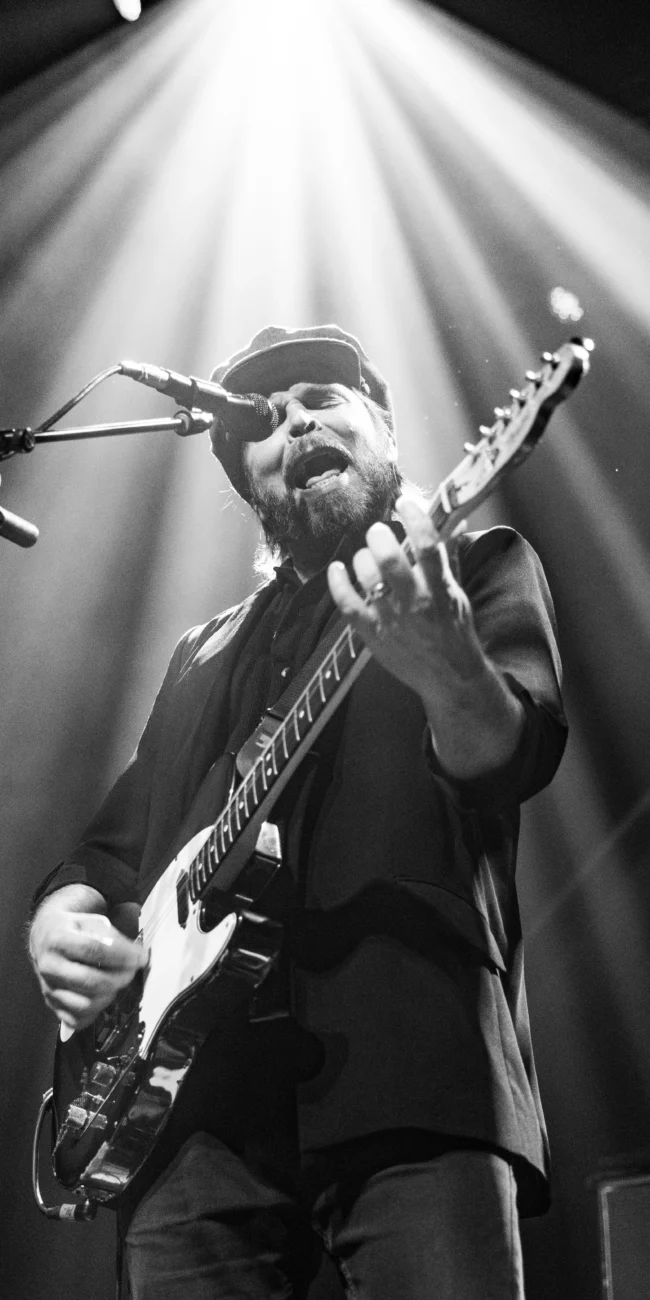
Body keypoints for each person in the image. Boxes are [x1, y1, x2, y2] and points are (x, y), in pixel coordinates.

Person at [29, 324, 567, 1300]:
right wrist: (57, 921)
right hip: (189, 1115)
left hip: (409, 1066)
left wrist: (446, 659)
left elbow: (513, 755)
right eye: (264, 425)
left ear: (383, 430)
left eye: (321, 400)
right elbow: (108, 852)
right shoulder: (200, 654)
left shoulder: (474, 564)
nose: (295, 426)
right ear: (250, 486)